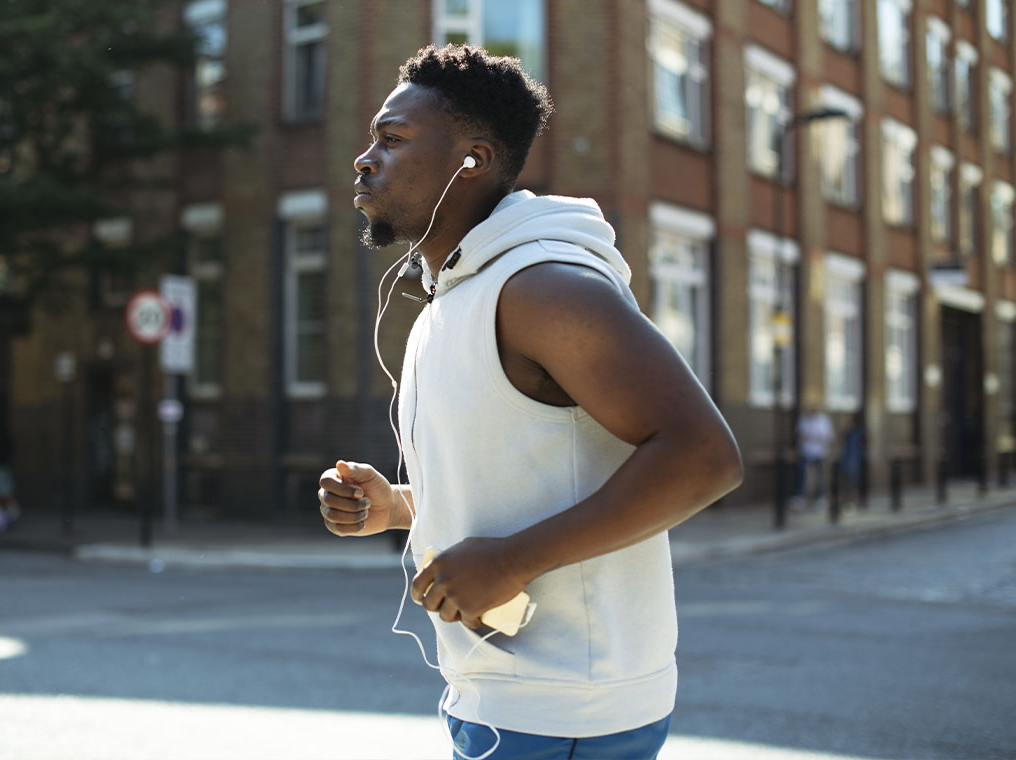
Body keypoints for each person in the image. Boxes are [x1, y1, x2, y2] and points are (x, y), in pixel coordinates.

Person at [317, 45, 742, 760]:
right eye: (370, 141)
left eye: (391, 141)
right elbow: (532, 474)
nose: (364, 159)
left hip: (565, 710)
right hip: (498, 698)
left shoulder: (543, 287)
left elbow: (705, 457)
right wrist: (397, 505)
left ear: (471, 159)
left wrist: (514, 559)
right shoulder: (451, 301)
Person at [793, 406, 835, 509]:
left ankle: (819, 498)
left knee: (819, 477)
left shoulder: (824, 420)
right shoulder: (804, 420)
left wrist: (815, 437)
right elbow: (800, 434)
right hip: (805, 451)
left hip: (819, 452)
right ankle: (800, 497)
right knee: (802, 475)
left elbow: (828, 436)